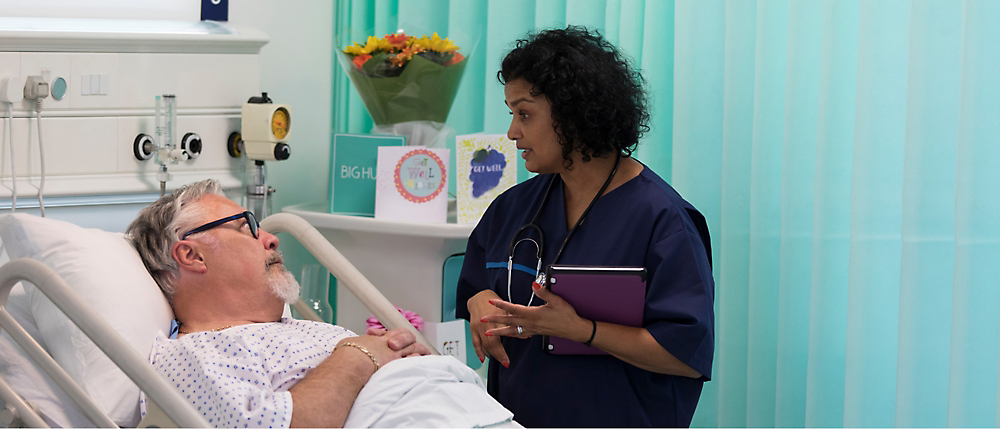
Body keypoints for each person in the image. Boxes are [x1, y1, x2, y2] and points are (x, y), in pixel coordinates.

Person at [455, 26, 715, 427]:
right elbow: (476, 287)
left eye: (525, 113)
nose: (512, 133)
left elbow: (684, 356)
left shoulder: (663, 220)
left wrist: (582, 330)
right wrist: (479, 303)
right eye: (512, 114)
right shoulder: (513, 208)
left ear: (573, 113)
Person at [126, 179, 515, 428]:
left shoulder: (304, 330)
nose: (271, 239)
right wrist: (360, 354)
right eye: (247, 228)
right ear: (192, 256)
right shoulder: (190, 357)